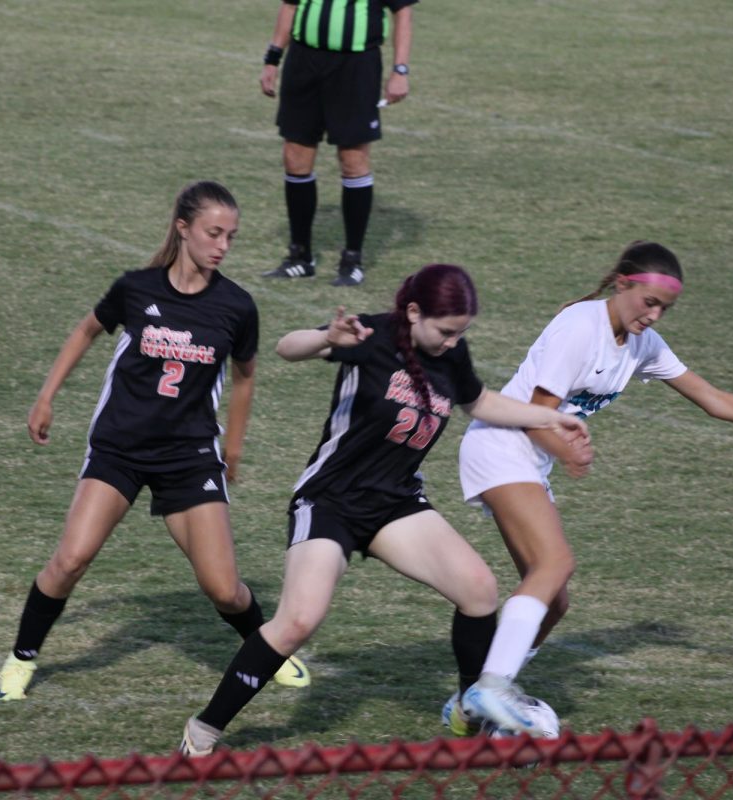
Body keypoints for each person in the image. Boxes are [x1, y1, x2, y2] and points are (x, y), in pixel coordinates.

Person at [178, 264, 590, 755]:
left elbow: (478, 403)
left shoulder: (450, 352)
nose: (452, 342)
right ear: (413, 313)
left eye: (461, 332)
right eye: (445, 331)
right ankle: (203, 732)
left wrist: (551, 416)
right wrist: (323, 337)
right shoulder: (371, 335)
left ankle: (466, 710)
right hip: (330, 501)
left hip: (395, 503)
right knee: (299, 620)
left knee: (478, 589)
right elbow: (287, 348)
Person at [449, 240, 733, 736]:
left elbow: (710, 397)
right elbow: (535, 414)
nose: (656, 315)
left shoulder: (641, 343)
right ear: (623, 285)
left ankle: (475, 702)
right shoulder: (580, 327)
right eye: (649, 302)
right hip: (502, 447)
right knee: (555, 564)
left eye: (666, 308)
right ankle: (493, 685)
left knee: (554, 601)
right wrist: (566, 450)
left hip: (531, 460)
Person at [0, 181, 309, 702]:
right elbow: (85, 331)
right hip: (119, 448)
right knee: (70, 560)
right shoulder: (137, 288)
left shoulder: (236, 306)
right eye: (214, 233)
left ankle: (265, 648)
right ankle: (21, 657)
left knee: (224, 589)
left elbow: (246, 375)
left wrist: (234, 446)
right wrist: (46, 395)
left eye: (231, 236)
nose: (223, 245)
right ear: (182, 229)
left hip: (188, 457)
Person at [258, 0, 416, 287]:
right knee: (295, 157)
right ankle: (299, 256)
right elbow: (290, 5)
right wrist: (273, 58)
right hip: (303, 62)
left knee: (353, 160)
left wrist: (400, 70)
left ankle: (352, 260)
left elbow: (403, 12)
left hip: (356, 66)